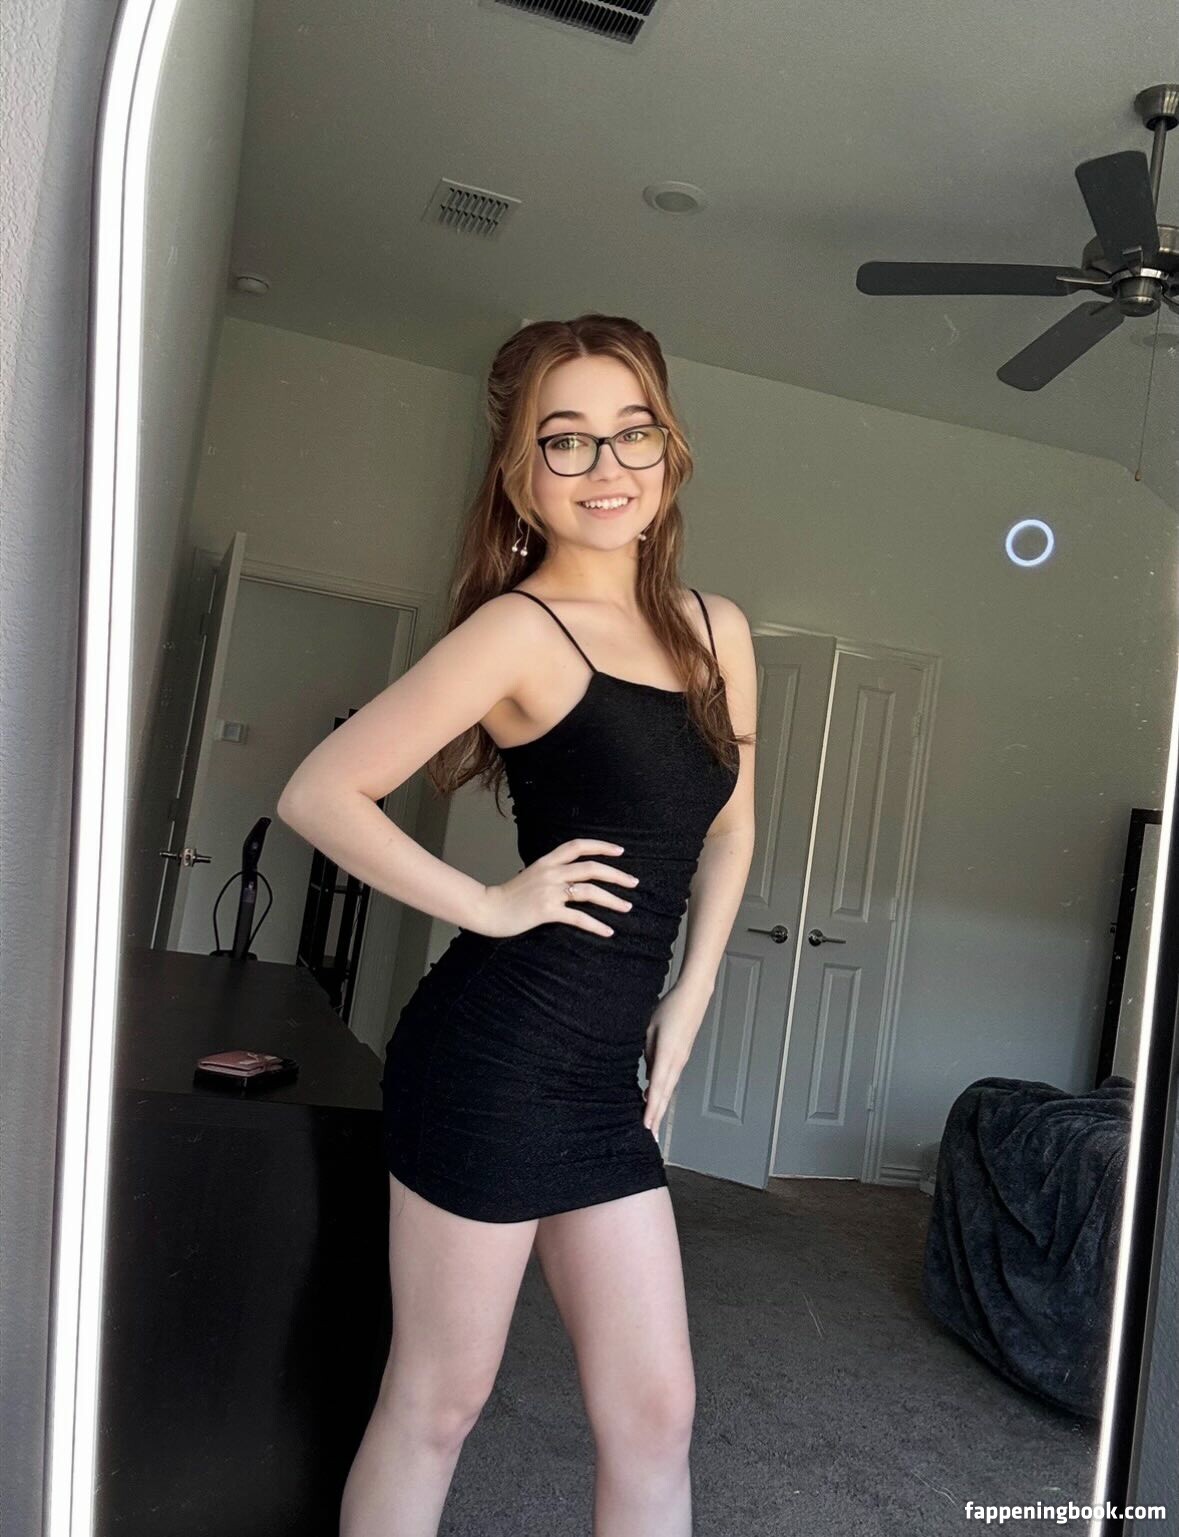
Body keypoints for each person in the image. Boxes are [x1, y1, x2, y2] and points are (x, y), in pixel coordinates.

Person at [277, 313, 757, 1537]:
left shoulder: (719, 630)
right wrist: (490, 901)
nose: (608, 467)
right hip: (492, 1060)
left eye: (633, 432)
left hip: (601, 1078)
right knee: (438, 1402)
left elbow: (732, 827)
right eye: (567, 439)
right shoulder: (516, 631)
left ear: (671, 446)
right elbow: (321, 793)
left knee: (656, 1413)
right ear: (519, 471)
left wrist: (691, 995)